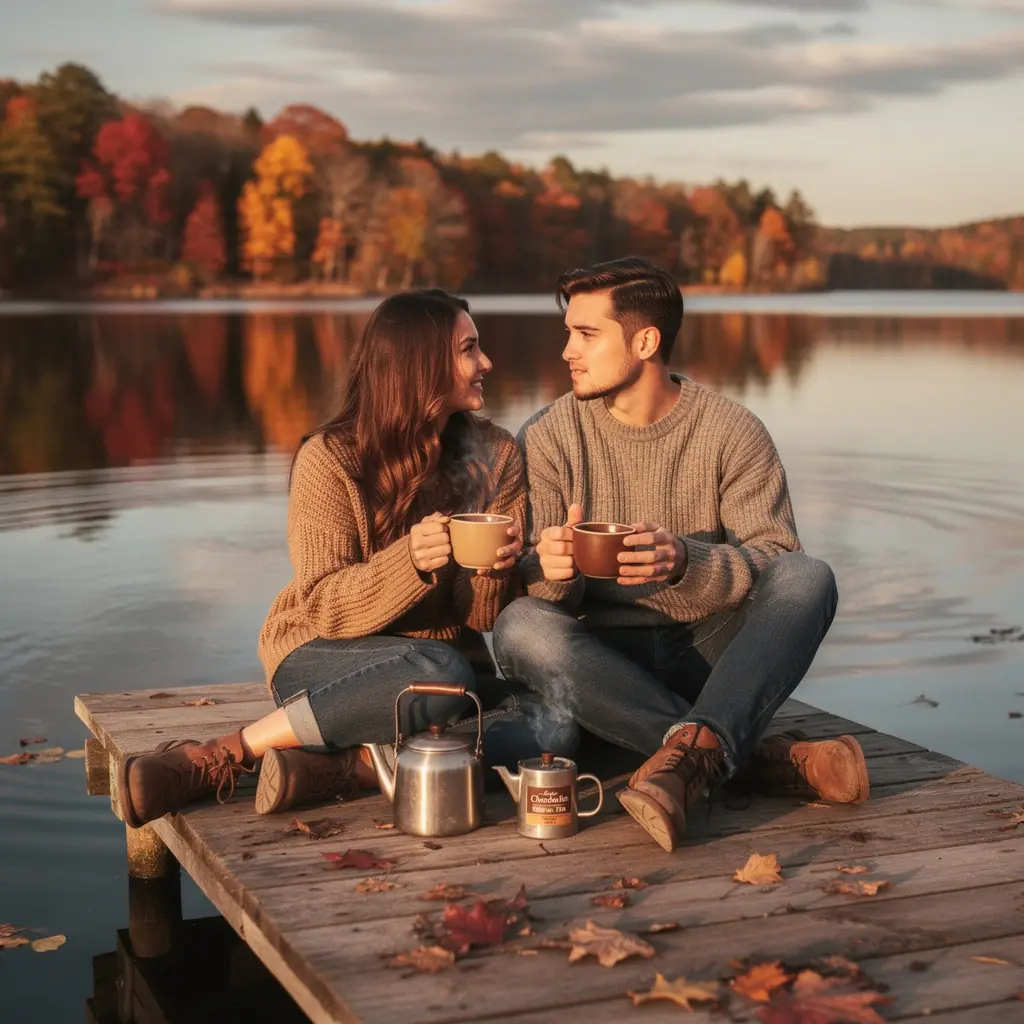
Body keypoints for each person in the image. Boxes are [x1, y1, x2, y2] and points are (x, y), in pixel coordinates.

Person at [118, 289, 578, 829]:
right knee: (440, 672)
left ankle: (351, 767)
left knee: (554, 725)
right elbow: (323, 607)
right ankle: (228, 752)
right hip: (324, 657)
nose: (487, 363)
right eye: (468, 349)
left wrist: (493, 569)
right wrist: (410, 564)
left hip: (439, 680)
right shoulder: (330, 459)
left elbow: (480, 618)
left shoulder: (495, 455)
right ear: (419, 365)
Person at [491, 257, 867, 853]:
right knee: (520, 626)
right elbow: (536, 591)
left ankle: (691, 748)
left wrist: (689, 562)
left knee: (808, 576)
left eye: (586, 334)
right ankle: (733, 754)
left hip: (708, 652)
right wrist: (553, 573)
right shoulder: (548, 436)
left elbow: (775, 554)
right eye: (568, 332)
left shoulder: (732, 430)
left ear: (645, 342)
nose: (567, 351)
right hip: (602, 662)